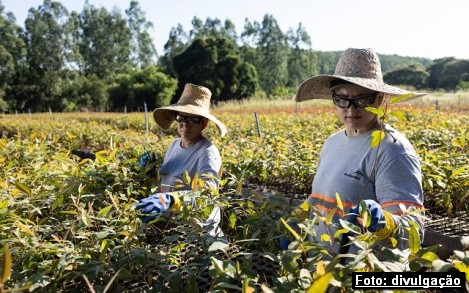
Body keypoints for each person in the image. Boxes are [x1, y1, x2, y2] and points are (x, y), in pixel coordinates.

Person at [285, 48, 425, 256]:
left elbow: (413, 231)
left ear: (379, 100)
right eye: (342, 99)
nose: (351, 109)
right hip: (327, 271)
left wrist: (384, 223)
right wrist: (297, 220)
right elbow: (320, 199)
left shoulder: (392, 150)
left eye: (362, 100)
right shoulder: (332, 143)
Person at [136, 83, 227, 223]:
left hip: (196, 233)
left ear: (204, 123)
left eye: (193, 119)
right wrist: (152, 175)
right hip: (170, 226)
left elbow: (207, 193)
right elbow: (167, 185)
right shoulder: (174, 145)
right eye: (181, 118)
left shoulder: (208, 153)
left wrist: (171, 199)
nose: (185, 124)